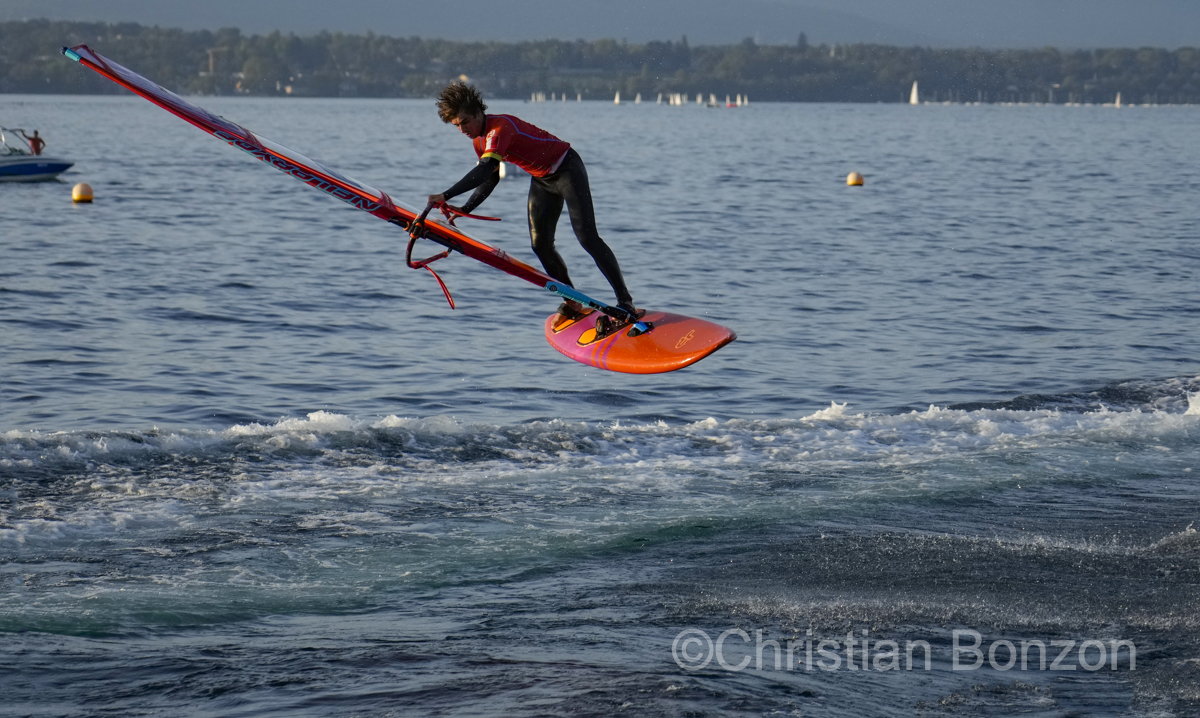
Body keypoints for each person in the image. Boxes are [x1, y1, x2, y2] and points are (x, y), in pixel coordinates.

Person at [428, 82, 638, 328]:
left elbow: (485, 169)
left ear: (478, 112)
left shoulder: (500, 127)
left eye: (465, 122)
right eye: (456, 125)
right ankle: (572, 302)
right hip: (542, 179)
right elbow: (491, 177)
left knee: (587, 238)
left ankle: (625, 302)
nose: (462, 129)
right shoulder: (479, 141)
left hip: (567, 168)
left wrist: (446, 194)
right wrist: (465, 208)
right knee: (540, 245)